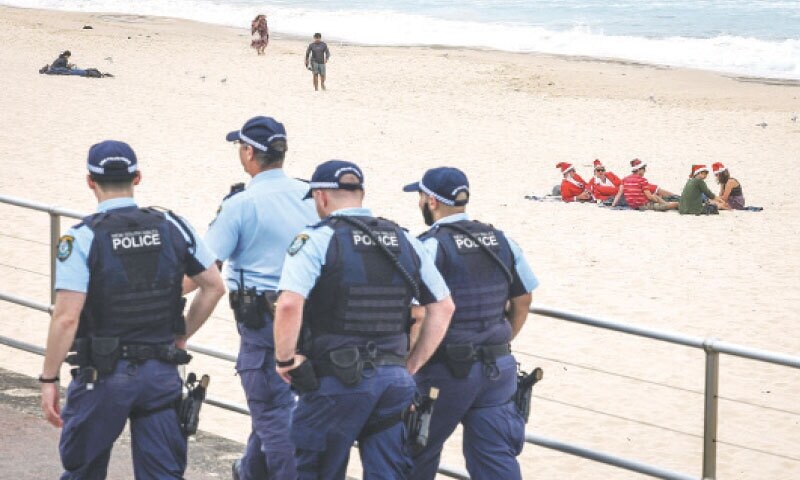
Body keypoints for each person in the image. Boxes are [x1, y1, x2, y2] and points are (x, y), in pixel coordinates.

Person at [39, 140, 225, 479]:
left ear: (90, 181)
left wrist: (48, 377)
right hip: (161, 370)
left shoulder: (81, 238)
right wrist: (181, 333)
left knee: (82, 469)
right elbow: (213, 285)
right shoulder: (172, 225)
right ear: (137, 177)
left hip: (103, 376)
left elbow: (66, 317)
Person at [273, 160, 455, 479]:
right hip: (393, 382)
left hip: (334, 381)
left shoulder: (316, 238)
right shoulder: (405, 239)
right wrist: (409, 367)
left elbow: (289, 304)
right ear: (361, 194)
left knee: (315, 470)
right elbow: (443, 307)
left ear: (321, 197)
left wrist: (284, 359)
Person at [191, 116, 318, 480]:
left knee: (273, 413)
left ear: (249, 152)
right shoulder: (312, 194)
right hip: (313, 314)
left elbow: (204, 269)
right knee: (280, 409)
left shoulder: (240, 204)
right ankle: (249, 472)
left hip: (264, 323)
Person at [402, 167, 539, 479]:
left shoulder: (430, 245)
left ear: (431, 201)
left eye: (420, 196)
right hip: (497, 368)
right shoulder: (501, 241)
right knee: (495, 459)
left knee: (414, 454)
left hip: (444, 372)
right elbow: (524, 299)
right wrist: (503, 341)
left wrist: (409, 364)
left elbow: (417, 314)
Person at [612, 158, 678, 211]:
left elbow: (619, 194)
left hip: (631, 205)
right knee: (674, 204)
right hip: (642, 206)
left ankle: (665, 203)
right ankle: (670, 204)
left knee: (657, 197)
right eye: (644, 169)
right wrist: (656, 199)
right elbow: (649, 196)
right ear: (639, 170)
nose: (645, 171)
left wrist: (613, 205)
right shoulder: (643, 180)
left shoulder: (624, 179)